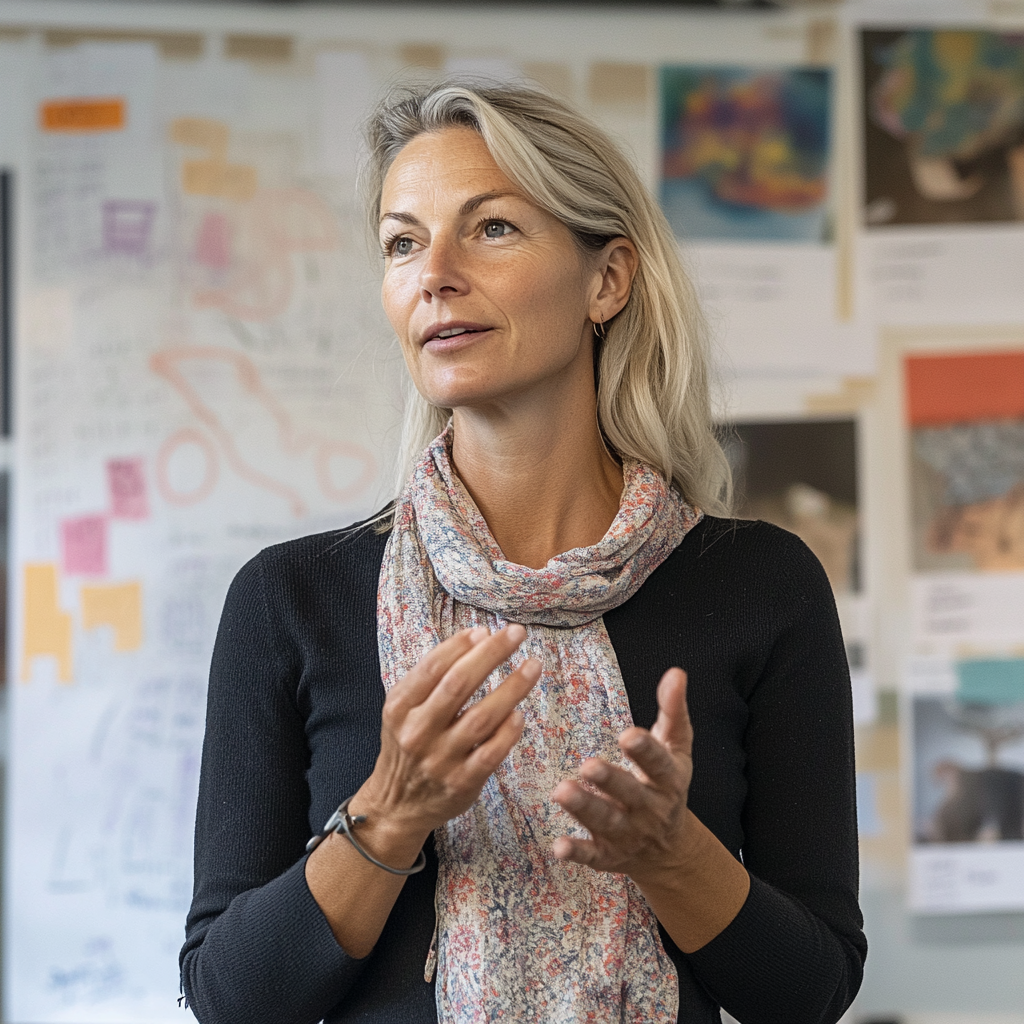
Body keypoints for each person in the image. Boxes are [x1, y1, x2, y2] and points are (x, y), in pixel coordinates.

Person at [180, 83, 865, 1024]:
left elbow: (813, 992)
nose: (436, 274)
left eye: (492, 228)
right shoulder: (290, 599)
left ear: (607, 280)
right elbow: (228, 998)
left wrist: (672, 854)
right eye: (402, 242)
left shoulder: (759, 586)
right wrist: (389, 813)